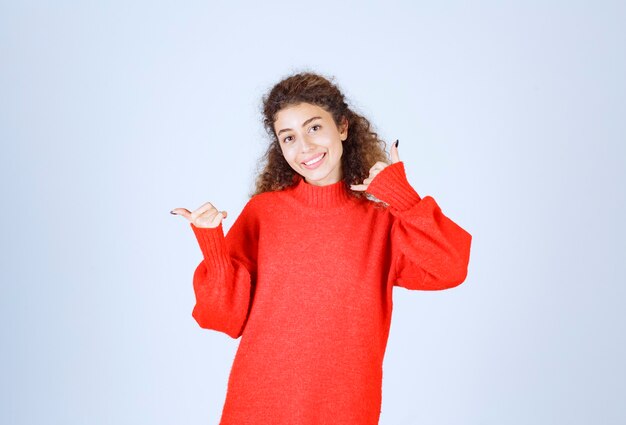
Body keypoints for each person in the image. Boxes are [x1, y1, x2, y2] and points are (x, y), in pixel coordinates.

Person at [171, 71, 472, 425]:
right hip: (257, 407)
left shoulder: (381, 221)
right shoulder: (264, 213)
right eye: (289, 137)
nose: (305, 148)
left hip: (345, 410)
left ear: (342, 127)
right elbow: (223, 318)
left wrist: (402, 198)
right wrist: (213, 244)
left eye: (314, 128)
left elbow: (450, 268)